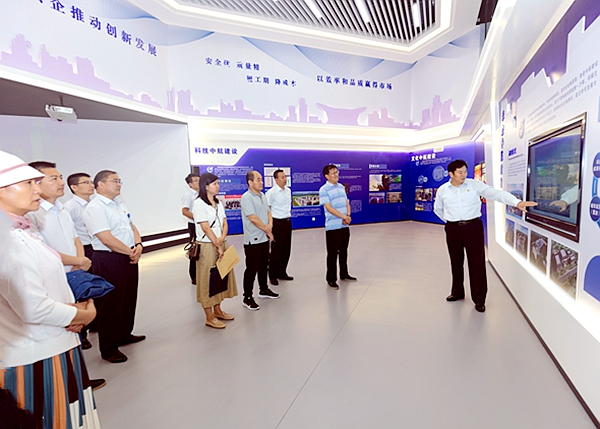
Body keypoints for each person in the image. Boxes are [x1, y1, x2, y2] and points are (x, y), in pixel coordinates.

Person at [0, 150, 101, 427]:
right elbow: (33, 308)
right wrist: (84, 315)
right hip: (34, 354)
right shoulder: (9, 242)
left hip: (55, 344)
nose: (37, 189)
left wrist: (73, 311)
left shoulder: (21, 231)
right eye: (28, 183)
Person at [433, 159, 537, 312]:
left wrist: (516, 202)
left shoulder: (475, 185)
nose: (463, 175)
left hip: (473, 227)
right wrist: (451, 222)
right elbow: (438, 209)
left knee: (477, 263)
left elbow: (496, 194)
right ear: (451, 174)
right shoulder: (443, 190)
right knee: (456, 262)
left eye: (465, 171)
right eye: (460, 172)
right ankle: (457, 292)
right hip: (453, 229)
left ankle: (479, 299)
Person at [83, 170, 145, 363]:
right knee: (111, 304)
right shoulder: (95, 208)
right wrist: (130, 252)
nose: (119, 184)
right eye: (114, 181)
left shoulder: (119, 204)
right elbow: (106, 238)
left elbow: (132, 226)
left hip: (128, 255)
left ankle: (124, 335)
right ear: (100, 184)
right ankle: (109, 348)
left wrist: (138, 245)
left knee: (128, 298)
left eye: (120, 181)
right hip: (109, 259)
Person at [25, 162, 92, 273]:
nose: (62, 183)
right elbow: (41, 250)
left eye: (60, 178)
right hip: (53, 274)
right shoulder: (30, 213)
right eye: (54, 179)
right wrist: (79, 261)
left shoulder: (62, 209)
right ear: (35, 183)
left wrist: (80, 262)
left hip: (76, 271)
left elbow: (76, 238)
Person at [192, 173, 238, 328]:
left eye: (218, 183)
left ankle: (218, 310)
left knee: (220, 277)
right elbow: (205, 227)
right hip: (208, 246)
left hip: (220, 243)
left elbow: (224, 222)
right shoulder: (199, 203)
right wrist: (217, 245)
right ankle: (209, 316)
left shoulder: (218, 202)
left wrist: (222, 238)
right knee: (207, 279)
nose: (218, 186)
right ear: (206, 186)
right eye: (215, 183)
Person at [240, 170, 279, 310]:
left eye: (261, 179)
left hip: (263, 237)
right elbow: (252, 218)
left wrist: (270, 226)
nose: (261, 182)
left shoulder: (262, 195)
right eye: (258, 179)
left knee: (263, 266)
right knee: (251, 269)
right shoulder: (246, 197)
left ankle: (264, 289)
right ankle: (247, 297)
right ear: (250, 182)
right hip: (253, 239)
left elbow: (269, 212)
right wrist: (267, 230)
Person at [319, 164, 357, 290]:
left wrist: (348, 216)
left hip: (344, 226)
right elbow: (329, 208)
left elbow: (347, 203)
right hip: (333, 227)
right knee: (332, 254)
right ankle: (331, 279)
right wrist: (343, 217)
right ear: (327, 176)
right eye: (333, 173)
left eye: (337, 172)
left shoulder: (341, 187)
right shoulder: (324, 189)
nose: (336, 175)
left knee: (344, 251)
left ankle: (344, 274)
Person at [265, 169, 293, 286]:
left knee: (286, 249)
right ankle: (273, 275)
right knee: (277, 250)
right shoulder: (271, 193)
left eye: (285, 177)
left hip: (287, 221)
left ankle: (282, 272)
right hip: (277, 222)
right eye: (282, 177)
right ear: (276, 179)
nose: (284, 179)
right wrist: (270, 225)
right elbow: (267, 209)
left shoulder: (288, 191)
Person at [64, 172, 96, 260]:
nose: (92, 186)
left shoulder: (94, 204)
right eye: (86, 183)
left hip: (97, 246)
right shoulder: (69, 207)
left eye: (92, 182)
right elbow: (67, 232)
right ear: (74, 187)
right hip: (83, 248)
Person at [182, 173, 200, 285]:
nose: (198, 182)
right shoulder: (188, 195)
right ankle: (194, 276)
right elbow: (185, 211)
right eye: (196, 181)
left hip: (201, 225)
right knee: (195, 249)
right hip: (194, 225)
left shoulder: (201, 194)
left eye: (199, 180)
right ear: (190, 184)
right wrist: (198, 218)